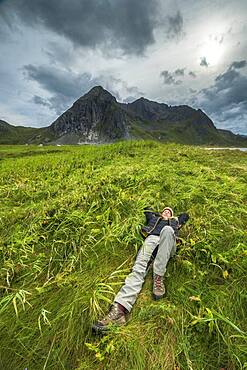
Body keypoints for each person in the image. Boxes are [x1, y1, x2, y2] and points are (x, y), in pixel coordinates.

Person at [92, 206, 189, 333]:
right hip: (152, 239)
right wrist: (156, 215)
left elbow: (185, 215)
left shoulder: (175, 222)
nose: (166, 212)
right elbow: (147, 210)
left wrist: (173, 218)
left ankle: (158, 277)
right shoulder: (154, 219)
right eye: (164, 210)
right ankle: (119, 311)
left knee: (167, 229)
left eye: (169, 211)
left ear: (173, 215)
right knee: (138, 269)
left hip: (169, 241)